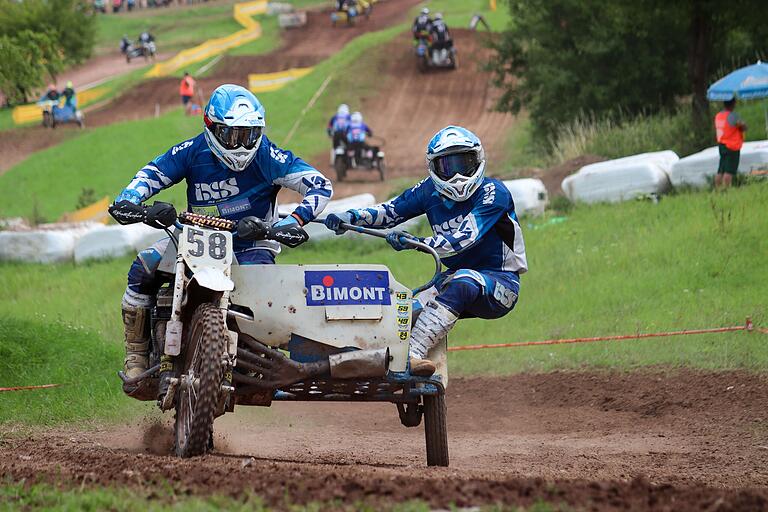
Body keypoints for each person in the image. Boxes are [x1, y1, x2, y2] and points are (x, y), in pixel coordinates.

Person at [112, 84, 333, 389]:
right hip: (194, 238)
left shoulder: (268, 155)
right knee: (143, 268)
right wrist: (130, 201)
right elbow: (151, 173)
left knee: (269, 297)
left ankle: (257, 357)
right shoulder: (192, 151)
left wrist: (292, 222)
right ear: (212, 128)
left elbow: (320, 185)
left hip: (252, 245)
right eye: (233, 135)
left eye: (249, 135)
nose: (242, 145)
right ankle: (136, 355)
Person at [325, 126, 527, 376]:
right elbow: (390, 211)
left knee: (464, 281)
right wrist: (352, 217)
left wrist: (415, 242)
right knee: (403, 311)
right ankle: (359, 356)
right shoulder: (428, 189)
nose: (455, 176)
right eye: (447, 167)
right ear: (433, 167)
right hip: (452, 280)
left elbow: (463, 238)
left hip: (500, 283)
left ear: (478, 160)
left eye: (463, 164)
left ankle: (413, 354)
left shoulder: (493, 192)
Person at [714, 97, 747, 189]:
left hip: (721, 144)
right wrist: (743, 125)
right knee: (729, 170)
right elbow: (743, 127)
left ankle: (717, 189)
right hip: (732, 145)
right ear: (733, 104)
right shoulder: (732, 116)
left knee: (721, 169)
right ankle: (726, 190)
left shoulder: (718, 115)